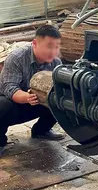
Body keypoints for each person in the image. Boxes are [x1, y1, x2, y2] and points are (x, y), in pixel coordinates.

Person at [0, 24, 65, 155]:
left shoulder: (56, 63)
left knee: (60, 99)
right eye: (49, 46)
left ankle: (41, 130)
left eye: (56, 47)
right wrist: (27, 97)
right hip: (13, 103)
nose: (53, 51)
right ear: (35, 43)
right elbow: (8, 87)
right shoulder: (17, 58)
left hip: (35, 102)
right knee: (3, 105)